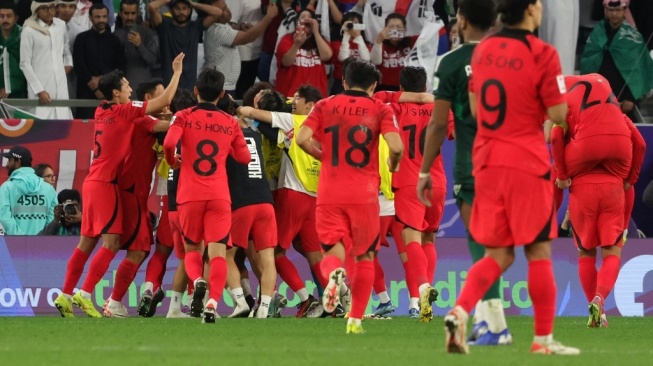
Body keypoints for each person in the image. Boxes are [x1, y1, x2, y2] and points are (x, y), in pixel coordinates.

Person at [438, 0, 579, 355]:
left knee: (498, 253)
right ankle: (543, 341)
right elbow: (560, 114)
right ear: (532, 9)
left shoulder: (483, 51)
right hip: (525, 161)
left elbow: (473, 109)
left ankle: (459, 312)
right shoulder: (543, 53)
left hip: (485, 161)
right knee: (538, 250)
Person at [53, 54, 183, 318]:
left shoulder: (102, 110)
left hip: (93, 180)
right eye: (126, 85)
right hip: (110, 186)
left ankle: (66, 295)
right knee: (113, 243)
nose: (130, 88)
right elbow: (164, 106)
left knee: (86, 243)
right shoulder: (129, 112)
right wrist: (178, 75)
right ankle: (86, 294)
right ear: (117, 92)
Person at [418, 0, 513, 346]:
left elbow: (439, 122)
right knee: (500, 246)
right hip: (511, 166)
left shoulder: (452, 61)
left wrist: (424, 171)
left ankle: (488, 323)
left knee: (480, 243)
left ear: (460, 20)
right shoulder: (511, 57)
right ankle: (491, 323)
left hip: (473, 167)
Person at [296, 59, 403, 334]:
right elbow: (396, 146)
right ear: (374, 85)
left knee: (332, 251)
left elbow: (301, 138)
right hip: (365, 194)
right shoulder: (380, 108)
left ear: (344, 81)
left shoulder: (325, 104)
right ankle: (355, 319)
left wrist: (321, 154)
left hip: (330, 192)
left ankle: (333, 275)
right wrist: (393, 163)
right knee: (365, 257)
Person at [550, 73, 646, 328]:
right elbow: (640, 142)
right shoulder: (612, 105)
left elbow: (556, 138)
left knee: (585, 253)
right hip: (617, 171)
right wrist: (631, 177)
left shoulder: (562, 98)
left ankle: (547, 222)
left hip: (583, 180)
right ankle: (599, 298)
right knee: (613, 250)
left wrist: (562, 176)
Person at [163, 69, 251, 324]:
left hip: (189, 194)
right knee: (218, 253)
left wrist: (173, 161)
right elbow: (244, 158)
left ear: (195, 91)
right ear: (222, 94)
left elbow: (169, 144)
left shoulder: (183, 115)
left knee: (192, 250)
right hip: (219, 195)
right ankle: (213, 303)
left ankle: (198, 280)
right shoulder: (230, 122)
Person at [237, 85, 329, 318]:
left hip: (282, 193)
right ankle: (333, 299)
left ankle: (299, 297)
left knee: (271, 251)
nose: (294, 100)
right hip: (313, 194)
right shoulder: (321, 124)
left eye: (299, 98)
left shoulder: (289, 123)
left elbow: (259, 117)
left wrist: (242, 109)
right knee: (312, 251)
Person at [375, 66, 443, 323]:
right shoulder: (440, 106)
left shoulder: (392, 105)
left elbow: (379, 97)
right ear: (425, 87)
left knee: (410, 236)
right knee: (430, 238)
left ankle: (424, 288)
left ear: (401, 88)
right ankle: (425, 295)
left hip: (408, 181)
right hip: (438, 182)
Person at [103, 80, 172, 318]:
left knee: (139, 249)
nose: (166, 102)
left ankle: (113, 301)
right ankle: (113, 302)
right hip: (131, 191)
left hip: (136, 193)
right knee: (140, 249)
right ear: (149, 97)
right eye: (161, 97)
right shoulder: (142, 119)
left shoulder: (140, 120)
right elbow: (167, 126)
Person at [225, 109, 278, 319]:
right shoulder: (255, 135)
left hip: (241, 203)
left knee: (226, 255)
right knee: (268, 259)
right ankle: (264, 307)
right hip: (265, 202)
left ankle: (240, 302)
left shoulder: (227, 137)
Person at [580, 0, 653, 121]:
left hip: (625, 102)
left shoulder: (633, 38)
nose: (614, 14)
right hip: (599, 100)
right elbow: (588, 63)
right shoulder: (596, 34)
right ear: (606, 11)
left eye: (618, 10)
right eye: (611, 10)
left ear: (624, 11)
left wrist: (631, 98)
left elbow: (639, 70)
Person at [202, 0, 277, 96]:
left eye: (226, 7)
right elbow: (249, 37)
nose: (228, 11)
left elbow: (232, 28)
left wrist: (240, 26)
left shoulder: (223, 25)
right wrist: (268, 17)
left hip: (224, 85)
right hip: (219, 87)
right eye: (223, 10)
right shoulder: (216, 30)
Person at [149, 0, 223, 90]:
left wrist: (193, 3)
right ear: (171, 10)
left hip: (189, 84)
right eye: (177, 8)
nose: (181, 12)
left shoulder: (195, 27)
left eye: (184, 8)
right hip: (168, 84)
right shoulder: (164, 25)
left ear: (189, 10)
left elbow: (218, 12)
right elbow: (152, 6)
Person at [19, 0, 73, 119]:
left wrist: (68, 64)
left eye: (52, 8)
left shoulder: (61, 25)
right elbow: (24, 64)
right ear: (37, 10)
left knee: (63, 123)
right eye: (44, 8)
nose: (49, 12)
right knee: (41, 127)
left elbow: (66, 49)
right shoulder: (29, 30)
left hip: (61, 85)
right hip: (40, 88)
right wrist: (39, 90)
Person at [73, 2, 125, 119]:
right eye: (97, 17)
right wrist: (93, 85)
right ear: (90, 18)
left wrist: (103, 81)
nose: (101, 20)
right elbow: (78, 64)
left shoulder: (114, 40)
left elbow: (120, 66)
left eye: (104, 17)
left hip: (109, 93)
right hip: (86, 92)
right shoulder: (81, 39)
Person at [0, 145, 57, 235]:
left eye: (9, 160)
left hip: (14, 245)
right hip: (42, 245)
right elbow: (53, 217)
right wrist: (43, 236)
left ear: (18, 161)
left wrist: (20, 238)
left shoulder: (6, 188)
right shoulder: (49, 189)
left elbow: (5, 217)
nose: (7, 164)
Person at [275, 9, 332, 99]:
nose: (307, 19)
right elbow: (286, 62)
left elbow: (327, 56)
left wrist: (316, 32)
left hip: (316, 98)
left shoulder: (321, 41)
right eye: (303, 17)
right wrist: (296, 44)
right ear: (297, 23)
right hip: (291, 96)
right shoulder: (287, 40)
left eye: (310, 17)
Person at [114, 0, 160, 98]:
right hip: (120, 89)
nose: (130, 17)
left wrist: (140, 45)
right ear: (120, 13)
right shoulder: (115, 36)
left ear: (138, 13)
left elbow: (152, 60)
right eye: (126, 13)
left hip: (143, 88)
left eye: (133, 13)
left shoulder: (147, 34)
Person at [329, 12, 370, 95]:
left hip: (361, 82)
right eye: (350, 23)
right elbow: (344, 59)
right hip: (341, 82)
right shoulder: (336, 43)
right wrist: (346, 35)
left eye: (356, 23)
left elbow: (366, 59)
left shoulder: (366, 44)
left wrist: (358, 37)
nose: (353, 26)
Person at [0, 0, 27, 99]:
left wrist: (10, 86)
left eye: (9, 16)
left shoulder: (24, 36)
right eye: (1, 16)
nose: (5, 19)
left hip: (19, 94)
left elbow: (28, 65)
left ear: (16, 18)